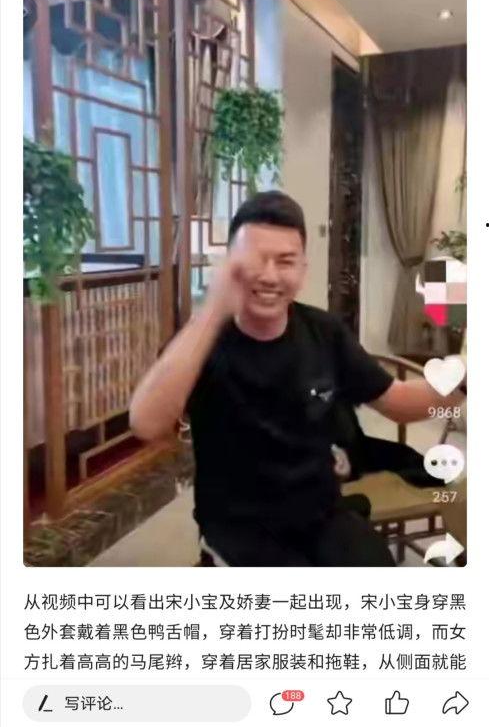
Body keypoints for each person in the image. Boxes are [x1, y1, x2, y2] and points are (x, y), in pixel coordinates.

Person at [130, 192, 465, 567]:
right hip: (240, 529)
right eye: (254, 260)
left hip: (322, 515)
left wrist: (464, 378)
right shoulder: (203, 342)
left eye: (285, 261)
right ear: (230, 266)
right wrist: (213, 309)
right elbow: (146, 422)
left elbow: (398, 401)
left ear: (303, 270)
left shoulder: (324, 332)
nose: (269, 275)